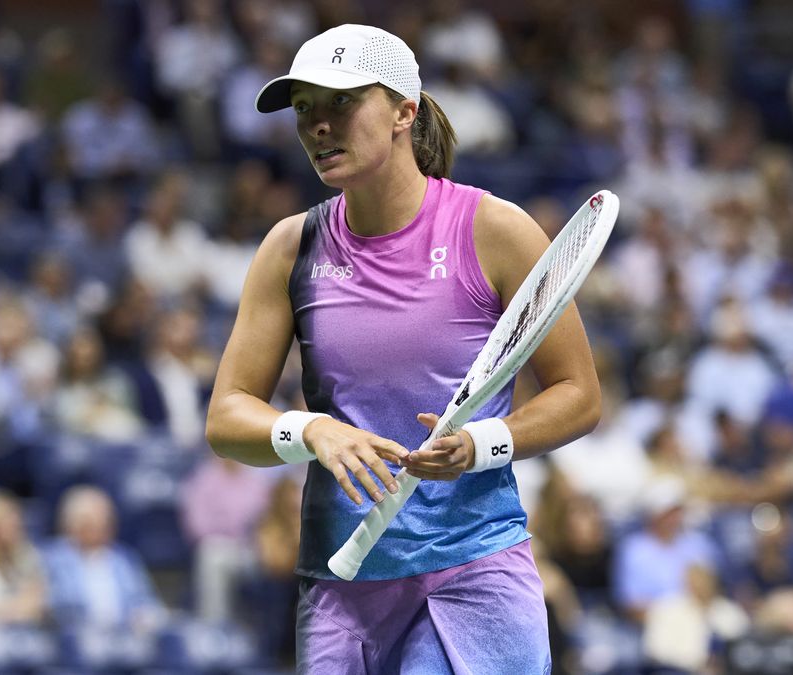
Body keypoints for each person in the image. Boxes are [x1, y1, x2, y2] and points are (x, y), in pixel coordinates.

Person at [205, 24, 602, 672]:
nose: (319, 126)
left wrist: (482, 443)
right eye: (305, 108)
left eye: (341, 103)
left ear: (403, 110)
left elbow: (579, 395)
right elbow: (226, 418)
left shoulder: (494, 230)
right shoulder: (290, 248)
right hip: (344, 583)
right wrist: (312, 430)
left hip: (475, 574)